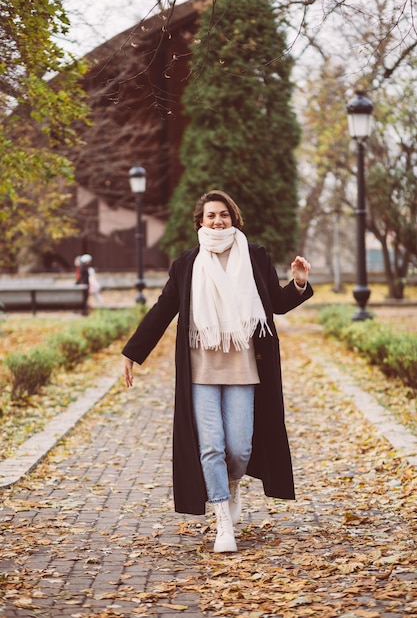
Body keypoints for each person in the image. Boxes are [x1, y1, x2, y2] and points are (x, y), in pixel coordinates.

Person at [122, 190, 313, 553]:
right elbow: (164, 309)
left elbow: (276, 304)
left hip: (244, 367)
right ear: (200, 221)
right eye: (210, 216)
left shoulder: (255, 256)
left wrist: (299, 283)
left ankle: (233, 485)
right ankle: (223, 520)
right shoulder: (187, 264)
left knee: (239, 448)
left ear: (233, 218)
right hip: (201, 370)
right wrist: (132, 352)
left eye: (223, 215)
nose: (217, 221)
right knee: (211, 446)